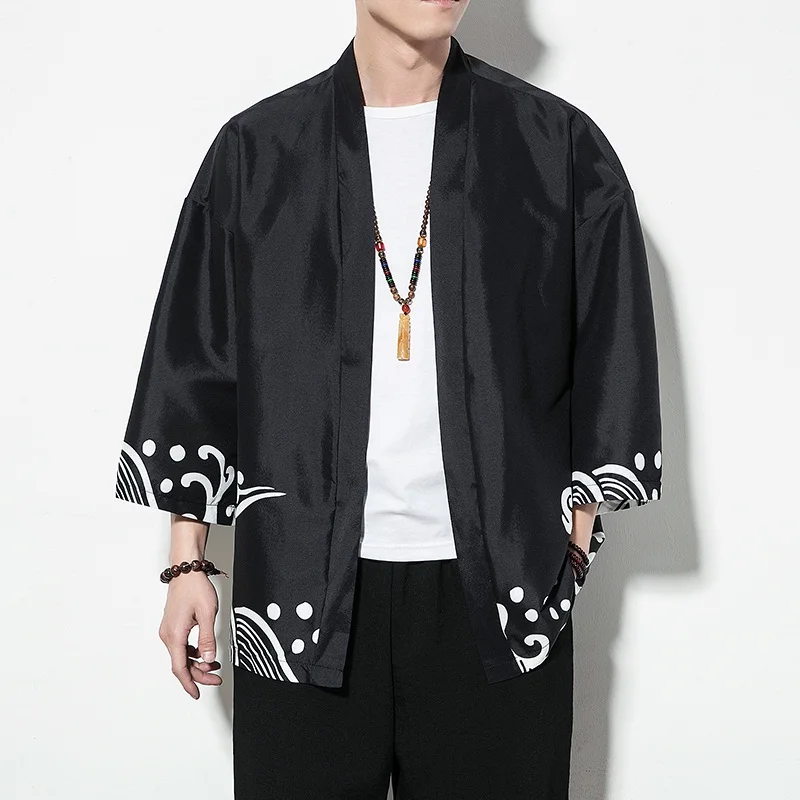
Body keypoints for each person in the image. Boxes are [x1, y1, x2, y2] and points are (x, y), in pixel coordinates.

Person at [114, 0, 663, 797]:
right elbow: (198, 357)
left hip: (501, 598)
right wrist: (188, 561)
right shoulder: (258, 152)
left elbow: (613, 339)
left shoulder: (556, 147)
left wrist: (578, 534)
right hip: (301, 590)